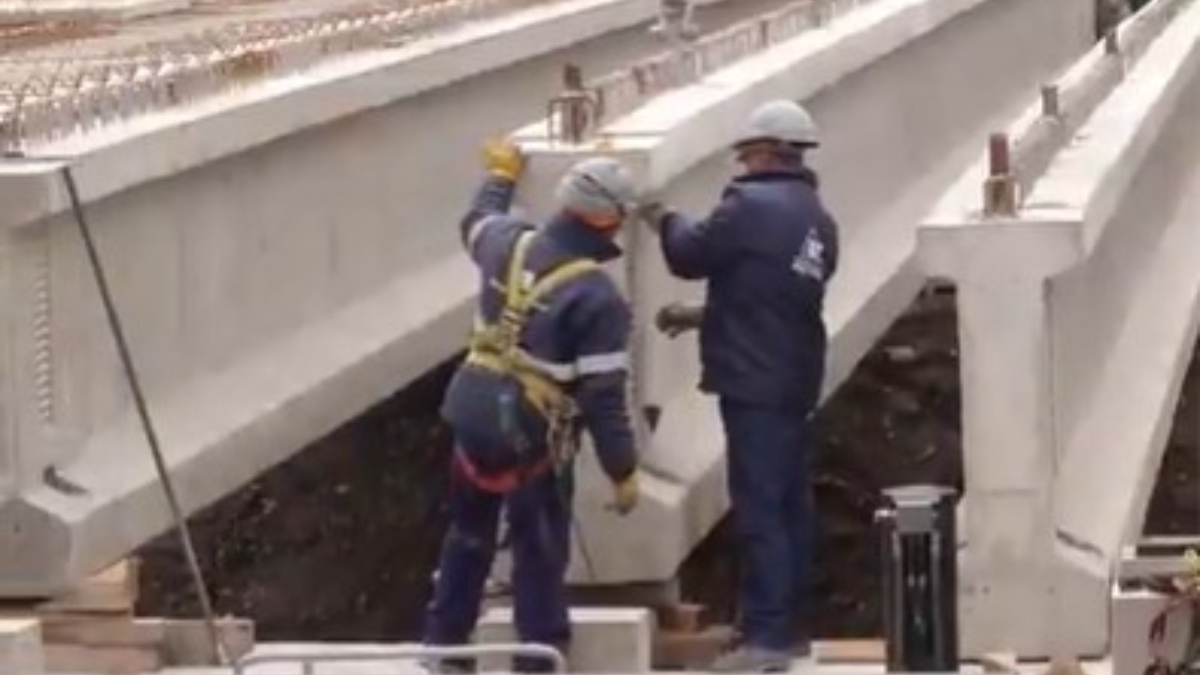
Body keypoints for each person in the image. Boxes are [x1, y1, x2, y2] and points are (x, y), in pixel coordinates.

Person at [422, 139, 642, 673]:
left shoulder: (506, 244)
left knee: (468, 536)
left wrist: (501, 175)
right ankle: (538, 661)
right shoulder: (597, 299)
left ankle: (445, 650)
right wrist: (623, 470)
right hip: (529, 435)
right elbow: (602, 398)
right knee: (539, 551)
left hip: (472, 411)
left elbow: (477, 218)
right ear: (611, 222)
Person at [639, 99, 839, 672]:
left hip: (754, 379)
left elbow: (687, 255)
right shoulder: (817, 219)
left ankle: (768, 638)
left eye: (746, 154)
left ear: (764, 152)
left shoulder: (747, 206)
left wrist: (662, 219)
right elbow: (772, 296)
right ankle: (780, 625)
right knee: (788, 500)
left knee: (758, 504)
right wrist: (705, 317)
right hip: (795, 373)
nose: (742, 164)